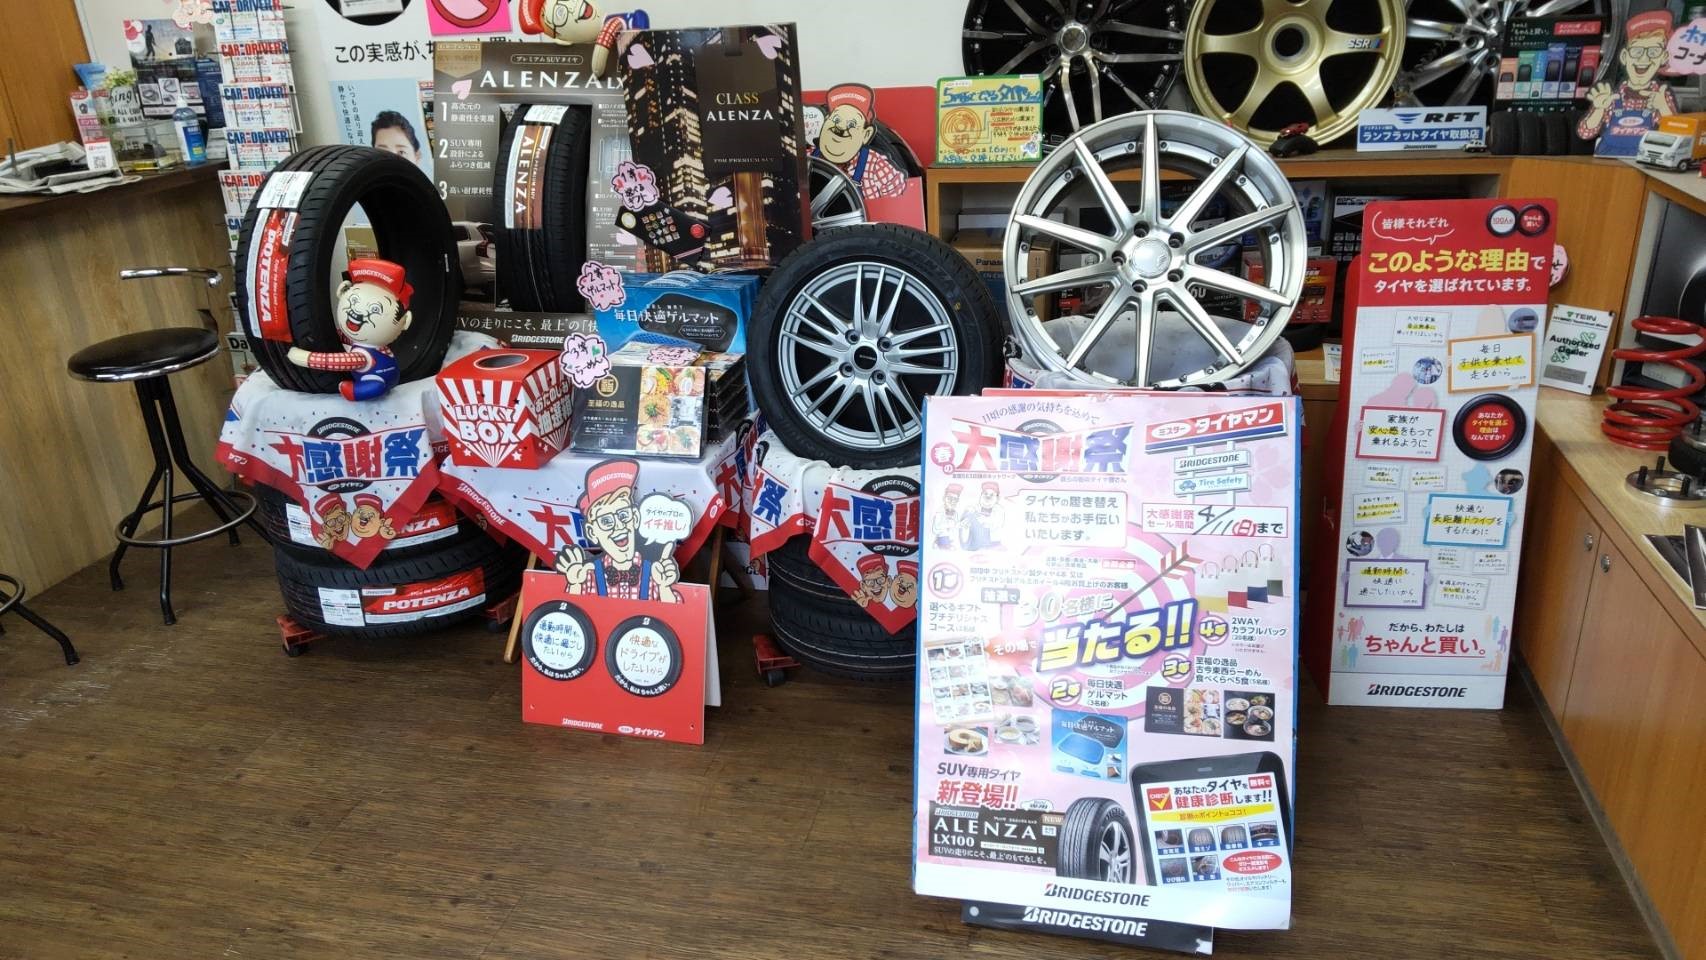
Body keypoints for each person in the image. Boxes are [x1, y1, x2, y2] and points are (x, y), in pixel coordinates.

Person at [554, 458, 681, 601]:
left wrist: (664, 588)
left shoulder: (655, 572)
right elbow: (572, 610)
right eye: (606, 521)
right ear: (592, 532)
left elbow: (672, 611)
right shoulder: (587, 573)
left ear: (635, 517)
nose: (619, 526)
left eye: (623, 515)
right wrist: (575, 584)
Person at [287, 259, 412, 401]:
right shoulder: (369, 344)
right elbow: (345, 337)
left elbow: (338, 362)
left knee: (375, 387)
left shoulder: (363, 356)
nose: (357, 311)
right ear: (342, 292)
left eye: (375, 309)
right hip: (392, 376)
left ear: (405, 321)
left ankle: (355, 392)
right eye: (354, 300)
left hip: (376, 380)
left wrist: (307, 358)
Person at [1578, 10, 1677, 140]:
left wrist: (1663, 108)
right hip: (1608, 152)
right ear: (1624, 56)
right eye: (1637, 51)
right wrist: (1599, 109)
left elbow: (1675, 134)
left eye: (1653, 52)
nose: (1644, 58)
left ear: (1663, 57)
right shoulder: (1610, 96)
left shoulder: (1662, 96)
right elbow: (1586, 133)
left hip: (1645, 152)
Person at [812, 83, 907, 200]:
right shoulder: (805, 157)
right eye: (836, 119)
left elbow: (900, 201)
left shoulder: (875, 165)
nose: (840, 128)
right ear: (826, 120)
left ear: (866, 134)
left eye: (852, 124)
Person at [959, 482, 1005, 551]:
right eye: (985, 494)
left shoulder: (999, 510)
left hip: (994, 544)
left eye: (991, 495)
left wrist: (983, 519)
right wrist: (965, 521)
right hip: (975, 544)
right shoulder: (974, 507)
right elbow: (963, 522)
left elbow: (996, 524)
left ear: (997, 498)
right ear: (981, 495)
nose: (988, 497)